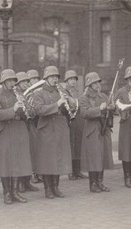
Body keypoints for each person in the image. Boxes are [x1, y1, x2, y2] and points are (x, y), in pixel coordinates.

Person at [33, 66, 76, 199]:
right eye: (52, 77)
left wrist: (69, 100)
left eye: (56, 77)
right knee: (47, 160)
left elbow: (73, 106)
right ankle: (48, 189)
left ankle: (56, 187)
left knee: (58, 158)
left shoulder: (61, 90)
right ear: (46, 78)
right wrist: (57, 104)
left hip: (60, 127)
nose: (54, 79)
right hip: (46, 129)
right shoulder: (38, 93)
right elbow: (39, 110)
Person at [0, 69, 33, 204]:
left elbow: (31, 112)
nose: (12, 83)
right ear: (3, 82)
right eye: (9, 81)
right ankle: (7, 194)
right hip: (5, 131)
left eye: (13, 81)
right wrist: (13, 109)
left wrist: (25, 108)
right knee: (5, 163)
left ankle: (15, 192)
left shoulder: (19, 94)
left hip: (19, 130)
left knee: (17, 162)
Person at [79, 72, 114, 193]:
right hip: (92, 130)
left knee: (102, 156)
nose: (97, 84)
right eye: (94, 83)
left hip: (103, 129)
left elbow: (110, 109)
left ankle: (100, 182)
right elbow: (84, 113)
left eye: (98, 82)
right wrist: (100, 109)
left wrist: (111, 107)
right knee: (94, 158)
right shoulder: (84, 98)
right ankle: (93, 183)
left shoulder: (103, 96)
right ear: (89, 84)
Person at [14, 71, 39, 193]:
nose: (25, 84)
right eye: (23, 82)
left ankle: (27, 181)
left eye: (26, 81)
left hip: (29, 126)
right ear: (17, 83)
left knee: (30, 154)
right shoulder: (15, 94)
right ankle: (20, 184)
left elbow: (34, 111)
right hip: (19, 127)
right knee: (21, 156)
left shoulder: (27, 95)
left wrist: (30, 110)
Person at [64, 70, 88, 180]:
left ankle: (77, 170)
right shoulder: (65, 92)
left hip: (79, 120)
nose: (73, 81)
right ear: (66, 81)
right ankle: (71, 171)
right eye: (70, 79)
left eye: (74, 79)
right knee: (71, 146)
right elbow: (71, 105)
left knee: (78, 145)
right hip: (70, 121)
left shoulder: (78, 91)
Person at [26, 69, 43, 184]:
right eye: (32, 79)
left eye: (37, 78)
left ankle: (39, 172)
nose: (35, 81)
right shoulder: (27, 94)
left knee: (39, 150)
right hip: (30, 123)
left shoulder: (39, 93)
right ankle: (32, 174)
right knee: (31, 150)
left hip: (39, 123)